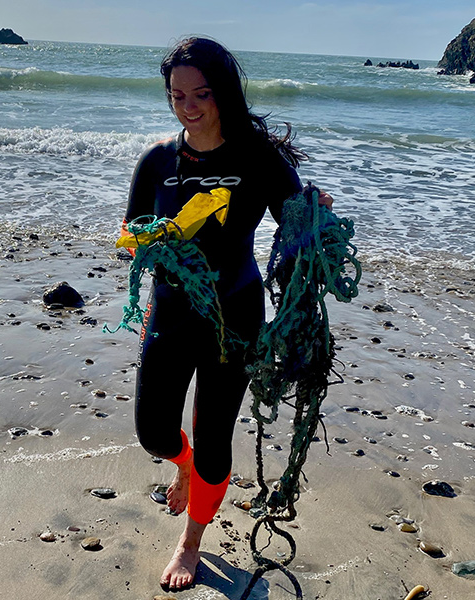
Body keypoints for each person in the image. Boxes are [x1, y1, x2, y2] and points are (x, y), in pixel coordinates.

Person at [120, 37, 333, 591]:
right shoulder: (157, 160)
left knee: (214, 440)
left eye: (201, 94)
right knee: (154, 434)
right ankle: (182, 465)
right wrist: (152, 240)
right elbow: (128, 235)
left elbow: (297, 227)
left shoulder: (258, 159)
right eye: (177, 95)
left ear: (223, 94)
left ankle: (190, 544)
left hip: (234, 314)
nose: (188, 106)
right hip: (170, 310)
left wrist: (313, 217)